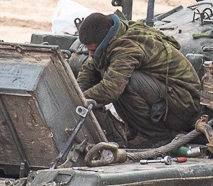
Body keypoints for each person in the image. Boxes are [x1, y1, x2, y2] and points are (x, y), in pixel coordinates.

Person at [76, 12, 202, 144]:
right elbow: (91, 68)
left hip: (183, 106)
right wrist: (75, 94)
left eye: (94, 49)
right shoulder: (114, 35)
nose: (90, 54)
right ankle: (138, 130)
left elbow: (111, 89)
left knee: (124, 83)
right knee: (113, 77)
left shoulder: (126, 47)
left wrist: (79, 100)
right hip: (167, 96)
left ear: (104, 41)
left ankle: (155, 136)